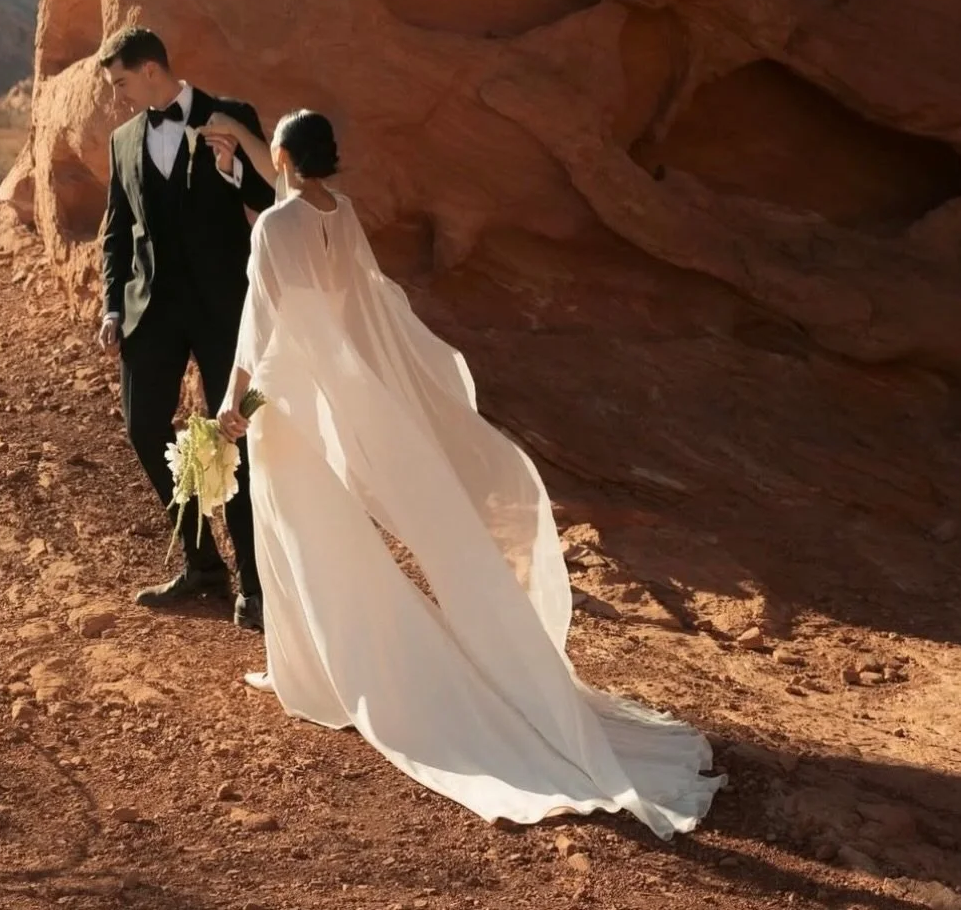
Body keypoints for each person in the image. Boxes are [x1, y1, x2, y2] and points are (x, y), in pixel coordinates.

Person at [213, 109, 723, 836]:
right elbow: (366, 305)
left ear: (287, 159)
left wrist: (233, 405)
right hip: (337, 384)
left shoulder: (273, 227)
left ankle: (325, 675)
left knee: (300, 526)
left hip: (288, 393)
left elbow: (256, 325)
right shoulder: (343, 212)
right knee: (319, 529)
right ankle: (313, 668)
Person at [98, 27, 274, 630]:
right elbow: (118, 230)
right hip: (150, 313)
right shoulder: (123, 140)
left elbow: (269, 196)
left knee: (239, 438)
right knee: (144, 427)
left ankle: (256, 584)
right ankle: (203, 565)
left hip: (228, 310)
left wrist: (229, 166)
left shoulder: (234, 115)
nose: (117, 95)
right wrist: (112, 308)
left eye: (121, 81)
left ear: (151, 70)